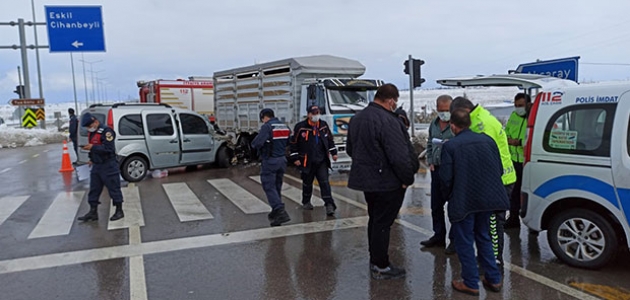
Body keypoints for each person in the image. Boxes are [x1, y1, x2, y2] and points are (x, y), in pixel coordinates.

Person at [347, 83, 418, 280]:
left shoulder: (357, 119)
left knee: (375, 220)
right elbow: (399, 156)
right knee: (383, 223)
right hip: (387, 182)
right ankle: (381, 265)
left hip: (368, 181)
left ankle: (375, 260)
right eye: (394, 101)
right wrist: (406, 179)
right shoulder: (388, 121)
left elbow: (350, 150)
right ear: (391, 100)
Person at [440, 109, 509, 296]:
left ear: (453, 126)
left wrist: (448, 198)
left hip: (464, 202)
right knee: (484, 237)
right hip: (488, 200)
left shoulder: (450, 147)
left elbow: (445, 179)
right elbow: (499, 169)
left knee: (464, 242)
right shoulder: (488, 140)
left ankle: (470, 282)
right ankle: (494, 279)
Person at [450, 97, 516, 265]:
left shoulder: (481, 124)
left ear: (465, 110)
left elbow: (481, 155)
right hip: (494, 178)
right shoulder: (480, 118)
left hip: (499, 180)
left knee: (493, 224)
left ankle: (494, 262)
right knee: (486, 223)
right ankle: (487, 260)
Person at [420, 95, 456, 254]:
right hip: (437, 170)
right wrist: (430, 160)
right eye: (440, 110)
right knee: (436, 205)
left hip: (453, 171)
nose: (443, 114)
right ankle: (438, 236)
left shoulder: (457, 124)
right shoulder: (434, 124)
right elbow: (429, 143)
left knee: (454, 207)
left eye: (446, 110)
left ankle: (455, 241)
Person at [289, 105, 338, 216]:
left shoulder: (323, 125)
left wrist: (334, 153)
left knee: (324, 183)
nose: (316, 115)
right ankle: (306, 201)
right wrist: (295, 158)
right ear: (309, 114)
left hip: (321, 160)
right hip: (307, 160)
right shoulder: (301, 127)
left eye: (317, 113)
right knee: (307, 183)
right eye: (313, 113)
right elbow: (293, 143)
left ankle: (329, 205)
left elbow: (329, 140)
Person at [77, 113, 124, 222]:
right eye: (88, 127)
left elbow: (109, 149)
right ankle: (93, 212)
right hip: (97, 165)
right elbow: (95, 148)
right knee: (94, 190)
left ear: (96, 122)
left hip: (109, 165)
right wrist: (91, 159)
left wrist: (93, 147)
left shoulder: (107, 132)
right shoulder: (92, 133)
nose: (89, 128)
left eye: (90, 126)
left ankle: (119, 211)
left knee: (114, 189)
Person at [251, 108, 291, 227]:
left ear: (264, 117)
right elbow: (289, 141)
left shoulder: (267, 127)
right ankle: (276, 214)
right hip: (282, 160)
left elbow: (256, 143)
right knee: (276, 187)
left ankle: (279, 210)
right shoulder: (284, 126)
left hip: (270, 161)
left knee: (269, 186)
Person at [504, 93, 532, 229]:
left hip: (527, 162)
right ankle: (513, 218)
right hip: (513, 160)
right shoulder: (514, 116)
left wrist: (519, 142)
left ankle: (533, 224)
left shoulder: (533, 117)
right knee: (513, 192)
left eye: (520, 106)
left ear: (528, 104)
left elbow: (535, 138)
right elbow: (507, 131)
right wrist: (508, 139)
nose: (518, 108)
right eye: (516, 106)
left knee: (527, 192)